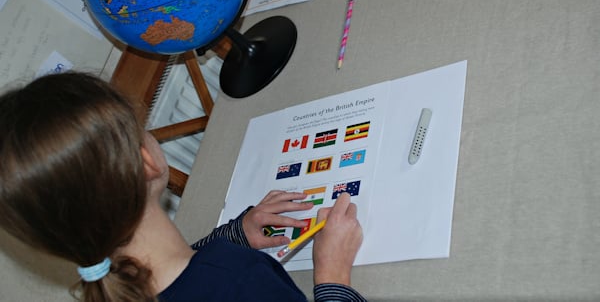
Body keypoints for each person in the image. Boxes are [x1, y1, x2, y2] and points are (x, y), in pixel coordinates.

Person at [0, 72, 366, 302]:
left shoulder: (117, 288)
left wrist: (234, 234)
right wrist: (333, 276)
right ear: (147, 159)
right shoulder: (240, 280)